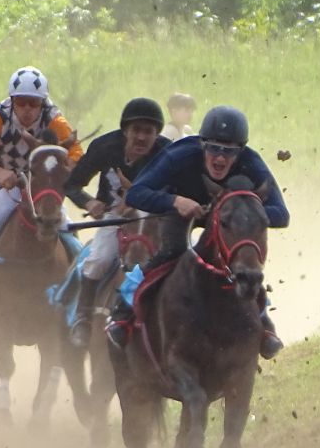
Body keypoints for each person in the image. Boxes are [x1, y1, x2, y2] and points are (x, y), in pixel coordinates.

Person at [107, 105, 289, 359]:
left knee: (245, 262)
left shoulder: (252, 162)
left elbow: (282, 214)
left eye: (230, 151)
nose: (220, 158)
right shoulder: (179, 155)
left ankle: (264, 323)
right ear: (202, 144)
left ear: (241, 151)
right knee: (171, 253)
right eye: (214, 148)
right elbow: (137, 193)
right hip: (181, 213)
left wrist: (242, 214)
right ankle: (123, 313)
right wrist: (175, 201)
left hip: (229, 220)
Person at [62, 97, 169, 348]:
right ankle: (83, 318)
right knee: (99, 260)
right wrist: (89, 203)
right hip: (114, 215)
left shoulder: (167, 152)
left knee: (187, 255)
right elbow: (72, 184)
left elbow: (179, 187)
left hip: (154, 215)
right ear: (125, 131)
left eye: (148, 132)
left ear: (157, 134)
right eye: (136, 130)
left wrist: (144, 199)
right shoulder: (104, 147)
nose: (141, 138)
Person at [0, 66, 84, 240]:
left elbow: (76, 153)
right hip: (8, 180)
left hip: (43, 181)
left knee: (64, 224)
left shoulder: (55, 119)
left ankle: (78, 266)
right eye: (21, 102)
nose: (27, 109)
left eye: (34, 103)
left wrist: (60, 172)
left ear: (42, 102)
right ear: (12, 100)